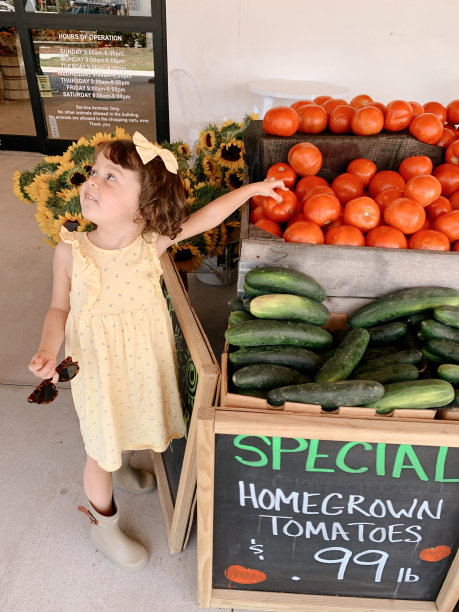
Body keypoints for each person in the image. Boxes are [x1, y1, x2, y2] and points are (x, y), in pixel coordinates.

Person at [28, 131, 286, 571]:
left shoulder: (151, 243)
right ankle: (102, 524)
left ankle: (124, 466)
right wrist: (47, 350)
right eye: (93, 172)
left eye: (111, 178)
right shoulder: (72, 252)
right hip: (96, 368)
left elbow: (207, 217)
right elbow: (58, 306)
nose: (92, 182)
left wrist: (253, 190)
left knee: (132, 414)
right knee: (99, 446)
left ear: (144, 206)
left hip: (143, 364)